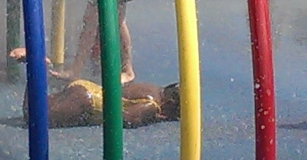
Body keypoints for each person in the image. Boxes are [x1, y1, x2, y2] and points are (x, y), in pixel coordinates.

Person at [10, 48, 180, 127]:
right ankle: (36, 66)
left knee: (41, 104)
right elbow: (125, 119)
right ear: (171, 102)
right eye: (177, 112)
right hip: (89, 102)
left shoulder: (153, 88)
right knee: (35, 118)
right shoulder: (151, 104)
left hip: (87, 89)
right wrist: (150, 116)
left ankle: (36, 66)